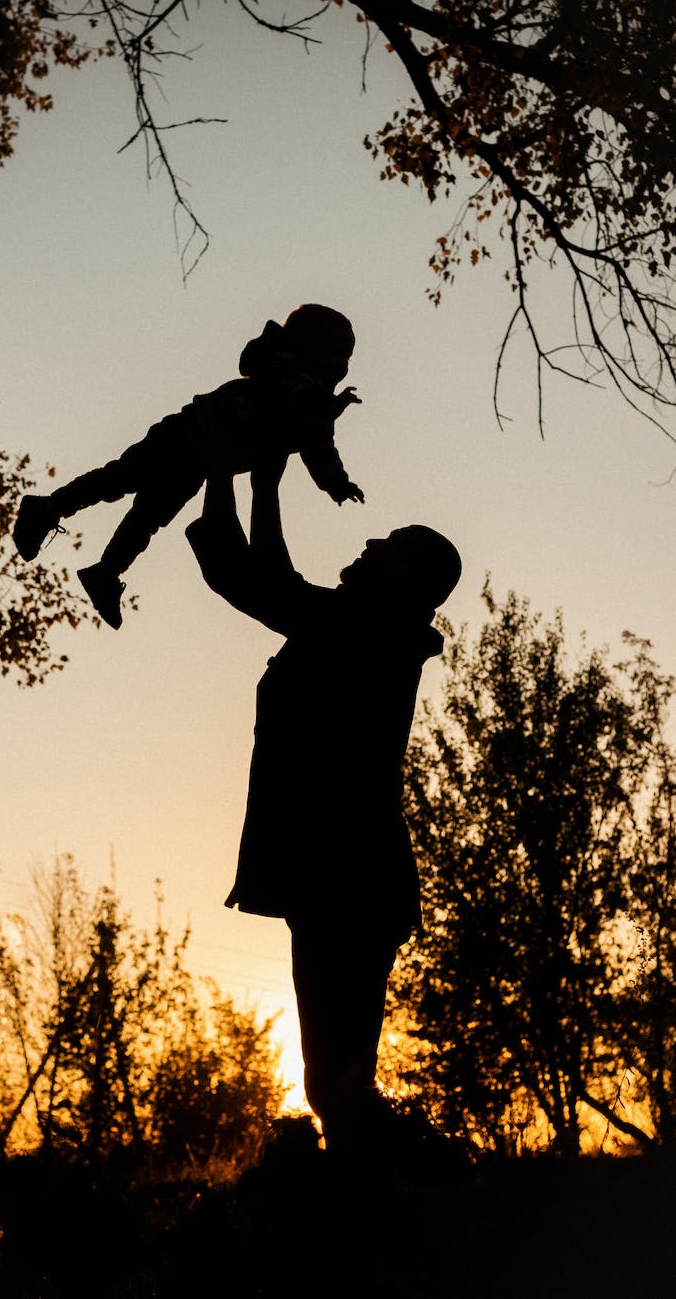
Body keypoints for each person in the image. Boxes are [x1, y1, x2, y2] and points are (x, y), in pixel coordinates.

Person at [185, 459, 461, 1166]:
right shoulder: (355, 627)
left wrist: (230, 472)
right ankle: (377, 1192)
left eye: (386, 547)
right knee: (335, 1079)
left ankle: (377, 1198)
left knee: (338, 1081)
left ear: (405, 577)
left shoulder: (367, 630)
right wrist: (257, 480)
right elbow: (265, 578)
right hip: (341, 878)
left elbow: (250, 581)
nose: (368, 545)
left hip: (348, 878)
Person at [12, 304, 364, 628]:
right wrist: (327, 420)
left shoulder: (310, 402)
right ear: (304, 344)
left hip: (201, 458)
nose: (343, 364)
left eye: (347, 356)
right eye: (336, 351)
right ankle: (49, 508)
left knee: (150, 513)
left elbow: (317, 443)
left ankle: (106, 570)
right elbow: (298, 400)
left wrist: (335, 481)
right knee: (120, 478)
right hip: (188, 433)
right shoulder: (287, 370)